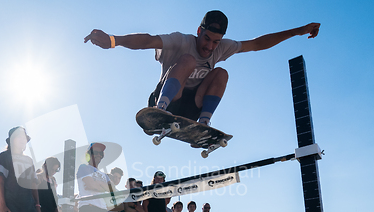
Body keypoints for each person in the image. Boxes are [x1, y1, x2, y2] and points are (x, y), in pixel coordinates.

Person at [84, 10, 320, 125]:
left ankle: (204, 123)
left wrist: (297, 31)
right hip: (169, 97)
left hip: (192, 107)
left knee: (222, 73)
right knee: (188, 60)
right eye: (206, 39)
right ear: (199, 31)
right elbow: (147, 40)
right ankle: (161, 110)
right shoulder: (181, 40)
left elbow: (257, 44)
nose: (209, 47)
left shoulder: (221, 47)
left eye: (215, 42)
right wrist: (114, 40)